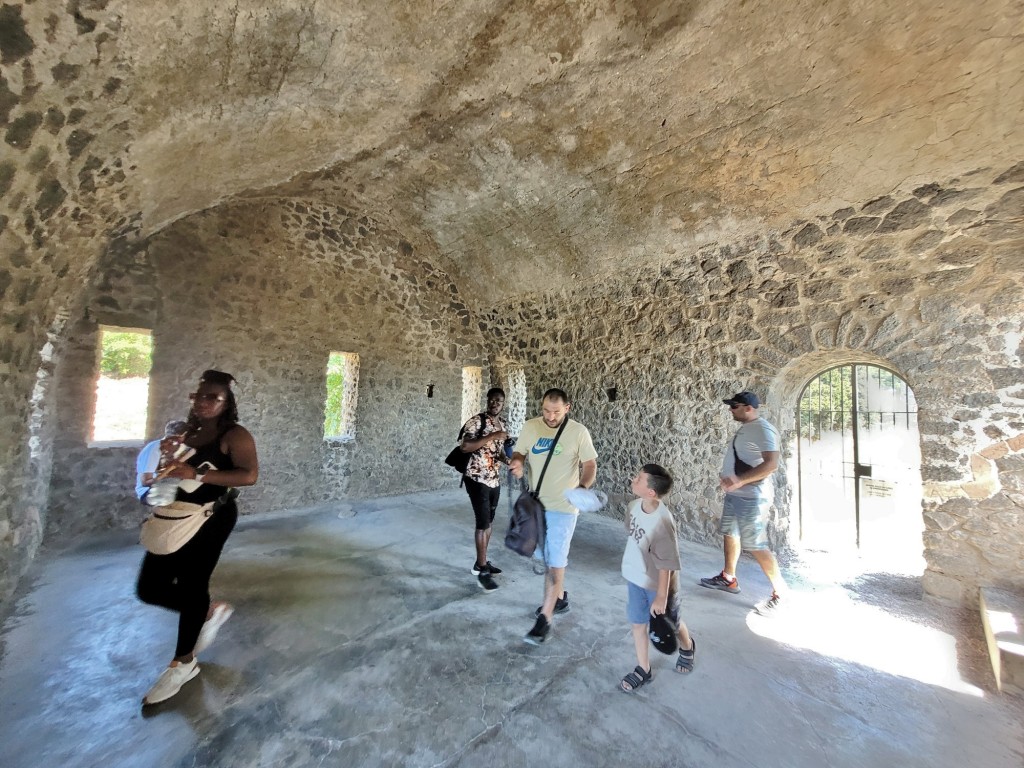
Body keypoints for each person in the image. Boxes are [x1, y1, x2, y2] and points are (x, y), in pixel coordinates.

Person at [136, 369, 259, 705]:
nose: (202, 402)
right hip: (175, 515)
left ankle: (182, 664)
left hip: (211, 517)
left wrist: (198, 473)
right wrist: (167, 455)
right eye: (198, 396)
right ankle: (206, 611)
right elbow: (172, 472)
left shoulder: (235, 435)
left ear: (226, 402)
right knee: (149, 588)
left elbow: (249, 475)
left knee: (193, 585)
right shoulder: (187, 431)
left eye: (212, 397)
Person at [510, 388, 597, 645]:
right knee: (543, 556)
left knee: (555, 561)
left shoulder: (578, 432)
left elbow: (590, 464)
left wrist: (582, 487)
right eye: (546, 411)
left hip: (563, 508)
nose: (550, 416)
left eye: (556, 412)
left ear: (567, 408)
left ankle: (545, 619)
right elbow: (520, 452)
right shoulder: (531, 427)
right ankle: (558, 599)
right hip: (535, 505)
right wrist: (517, 462)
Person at [700, 391, 788, 615]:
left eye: (734, 406)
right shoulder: (747, 428)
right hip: (737, 494)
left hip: (752, 496)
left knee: (755, 544)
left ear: (749, 408)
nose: (730, 409)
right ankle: (728, 578)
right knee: (730, 533)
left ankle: (781, 593)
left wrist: (740, 480)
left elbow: (771, 464)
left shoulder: (763, 429)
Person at [619, 464, 695, 692]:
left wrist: (661, 596)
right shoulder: (633, 507)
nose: (633, 479)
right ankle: (644, 669)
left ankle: (687, 646)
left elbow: (666, 564)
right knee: (638, 623)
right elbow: (631, 533)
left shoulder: (662, 522)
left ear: (651, 492)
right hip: (635, 578)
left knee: (672, 623)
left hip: (658, 585)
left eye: (638, 479)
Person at [459, 387, 509, 592]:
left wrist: (508, 461)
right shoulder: (477, 421)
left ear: (503, 403)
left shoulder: (503, 424)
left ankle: (482, 561)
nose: (495, 404)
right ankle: (481, 570)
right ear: (487, 400)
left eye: (499, 401)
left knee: (488, 522)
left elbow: (498, 452)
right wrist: (493, 435)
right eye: (492, 400)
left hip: (493, 479)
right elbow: (465, 447)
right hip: (476, 478)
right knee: (482, 523)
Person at [135, 419, 188, 501]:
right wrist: (168, 472)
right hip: (148, 492)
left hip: (166, 487)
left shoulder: (180, 448)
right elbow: (146, 482)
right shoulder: (154, 450)